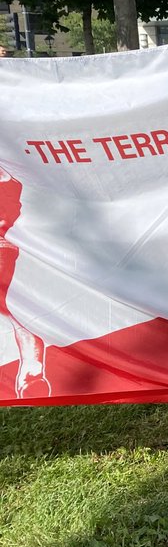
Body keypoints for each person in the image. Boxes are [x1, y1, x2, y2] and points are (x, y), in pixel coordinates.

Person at [0, 163, 50, 399]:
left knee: (6, 305)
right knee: (7, 308)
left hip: (3, 246)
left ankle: (31, 364)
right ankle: (31, 364)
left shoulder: (10, 172)